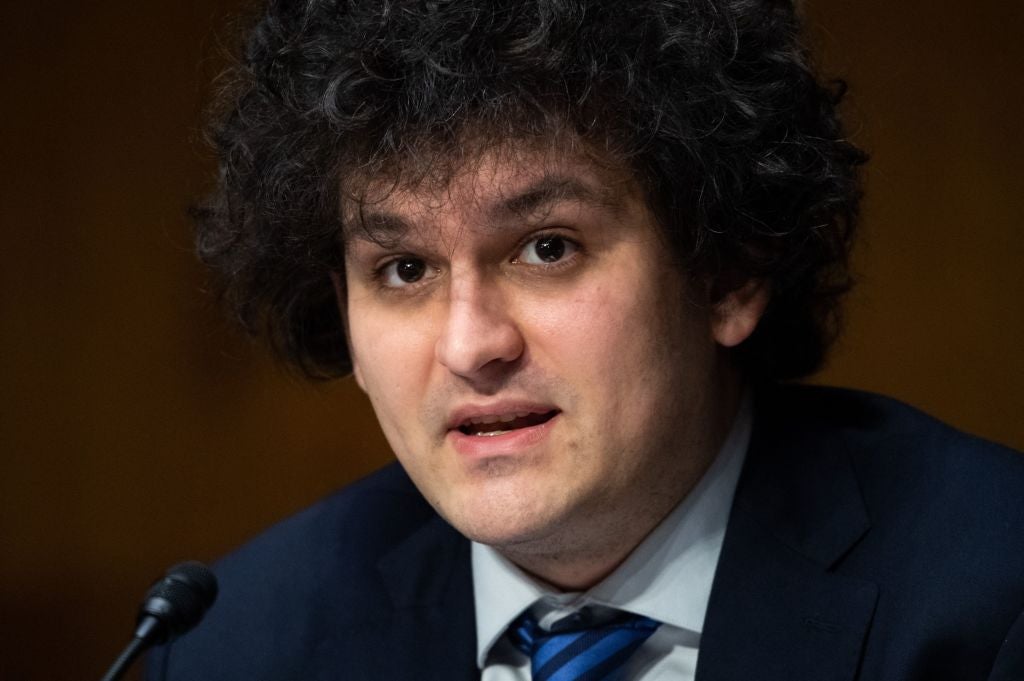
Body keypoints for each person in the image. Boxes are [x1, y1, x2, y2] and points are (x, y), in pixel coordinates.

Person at [148, 0, 1024, 679]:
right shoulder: (239, 645)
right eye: (405, 269)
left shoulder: (989, 596)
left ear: (727, 271)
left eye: (547, 247)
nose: (470, 345)